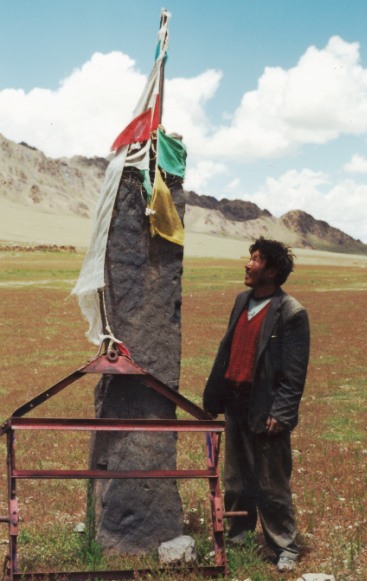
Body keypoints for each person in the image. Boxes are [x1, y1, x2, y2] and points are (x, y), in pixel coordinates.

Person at [203, 238, 310, 573]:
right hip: (236, 402)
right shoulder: (241, 301)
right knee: (236, 479)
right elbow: (229, 350)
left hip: (265, 407)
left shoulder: (291, 312)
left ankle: (285, 546)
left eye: (256, 259)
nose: (247, 265)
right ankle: (238, 537)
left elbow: (294, 373)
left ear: (273, 271)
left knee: (271, 481)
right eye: (250, 258)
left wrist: (282, 412)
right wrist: (215, 395)